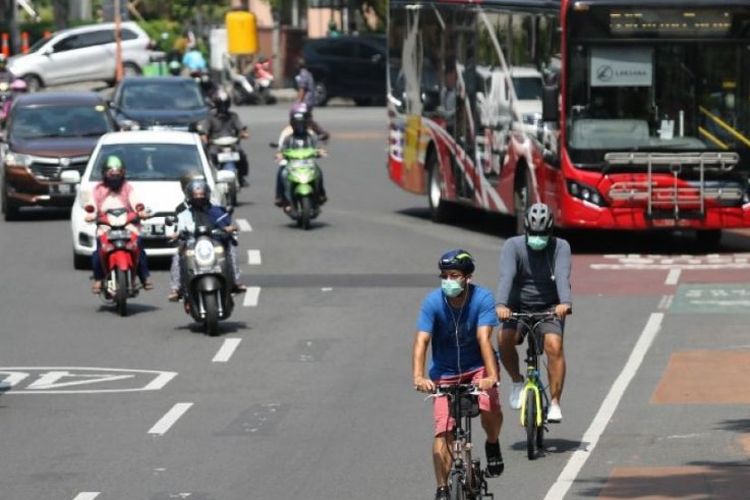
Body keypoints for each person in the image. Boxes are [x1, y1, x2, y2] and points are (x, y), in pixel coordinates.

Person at [412, 249, 504, 500]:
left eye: (454, 275)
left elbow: (484, 338)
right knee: (443, 430)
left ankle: (493, 442)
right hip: (444, 372)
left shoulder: (483, 299)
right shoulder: (433, 302)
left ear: (467, 278)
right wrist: (419, 376)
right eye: (444, 276)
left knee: (489, 405)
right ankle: (442, 488)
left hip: (478, 368)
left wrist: (491, 376)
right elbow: (422, 340)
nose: (448, 281)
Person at [495, 203, 572, 423]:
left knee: (554, 346)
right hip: (517, 306)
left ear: (550, 232)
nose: (537, 238)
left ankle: (555, 402)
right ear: (526, 230)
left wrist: (564, 303)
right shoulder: (512, 246)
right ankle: (518, 381)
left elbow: (562, 276)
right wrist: (501, 304)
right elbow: (506, 276)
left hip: (550, 306)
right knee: (504, 338)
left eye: (542, 234)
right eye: (533, 234)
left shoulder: (560, 247)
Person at [167, 177, 245, 301]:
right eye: (196, 195)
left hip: (215, 242)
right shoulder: (183, 211)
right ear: (190, 196)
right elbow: (178, 227)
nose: (199, 198)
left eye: (201, 195)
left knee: (230, 249)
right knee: (178, 255)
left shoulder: (216, 210)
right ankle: (176, 288)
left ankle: (235, 281)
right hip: (192, 243)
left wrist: (229, 228)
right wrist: (176, 234)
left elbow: (226, 223)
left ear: (207, 195)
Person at [86, 155, 153, 294]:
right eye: (111, 173)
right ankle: (98, 279)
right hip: (105, 227)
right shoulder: (98, 189)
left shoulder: (127, 188)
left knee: (139, 246)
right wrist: (91, 214)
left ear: (123, 173)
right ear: (105, 173)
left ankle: (144, 277)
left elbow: (136, 202)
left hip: (128, 226)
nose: (115, 177)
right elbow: (92, 204)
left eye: (118, 174)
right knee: (97, 253)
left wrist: (140, 211)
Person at [274, 103, 327, 209]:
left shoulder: (310, 136)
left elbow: (317, 145)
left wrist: (320, 151)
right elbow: (281, 148)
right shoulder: (288, 136)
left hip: (307, 164)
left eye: (302, 124)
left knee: (319, 172)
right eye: (297, 124)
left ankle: (320, 194)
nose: (300, 127)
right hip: (292, 165)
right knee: (282, 173)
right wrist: (280, 154)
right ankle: (282, 197)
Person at [205, 91, 250, 185]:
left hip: (232, 145)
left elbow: (241, 128)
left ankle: (241, 177)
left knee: (242, 155)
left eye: (225, 104)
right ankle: (211, 177)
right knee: (210, 157)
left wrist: (243, 133)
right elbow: (204, 131)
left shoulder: (233, 116)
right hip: (215, 145)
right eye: (221, 105)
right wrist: (204, 137)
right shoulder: (210, 117)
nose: (223, 107)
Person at [294, 58, 329, 141]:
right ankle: (321, 133)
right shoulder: (308, 73)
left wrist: (298, 102)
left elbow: (302, 89)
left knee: (300, 118)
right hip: (310, 100)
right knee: (308, 119)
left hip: (307, 101)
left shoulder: (303, 75)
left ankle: (318, 133)